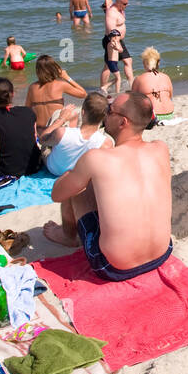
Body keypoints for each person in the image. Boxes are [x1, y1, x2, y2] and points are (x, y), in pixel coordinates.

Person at [44, 92, 173, 280]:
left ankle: (67, 236)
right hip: (162, 252)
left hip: (113, 267)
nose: (105, 113)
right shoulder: (161, 148)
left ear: (123, 123)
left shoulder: (97, 158)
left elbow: (57, 194)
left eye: (110, 110)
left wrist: (71, 173)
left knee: (78, 187)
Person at [41, 92, 113, 177]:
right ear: (104, 117)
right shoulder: (106, 143)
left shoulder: (61, 132)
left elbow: (42, 139)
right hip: (78, 174)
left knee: (57, 118)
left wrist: (61, 119)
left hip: (55, 169)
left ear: (83, 112)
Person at [26, 54, 88, 128]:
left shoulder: (32, 87)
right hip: (55, 129)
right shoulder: (60, 85)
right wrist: (67, 77)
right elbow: (83, 94)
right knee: (73, 114)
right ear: (54, 68)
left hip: (39, 130)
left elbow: (27, 110)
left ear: (37, 70)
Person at [132, 47, 174, 122]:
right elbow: (170, 96)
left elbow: (133, 101)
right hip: (169, 113)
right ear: (158, 63)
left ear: (144, 63)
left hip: (153, 116)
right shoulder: (166, 77)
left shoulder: (139, 79)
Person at [103, 0, 134, 84]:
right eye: (125, 4)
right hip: (112, 41)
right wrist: (116, 43)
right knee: (108, 66)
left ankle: (131, 85)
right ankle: (103, 88)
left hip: (119, 40)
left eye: (127, 3)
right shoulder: (112, 13)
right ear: (118, 3)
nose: (126, 5)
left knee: (128, 61)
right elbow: (111, 29)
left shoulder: (120, 9)